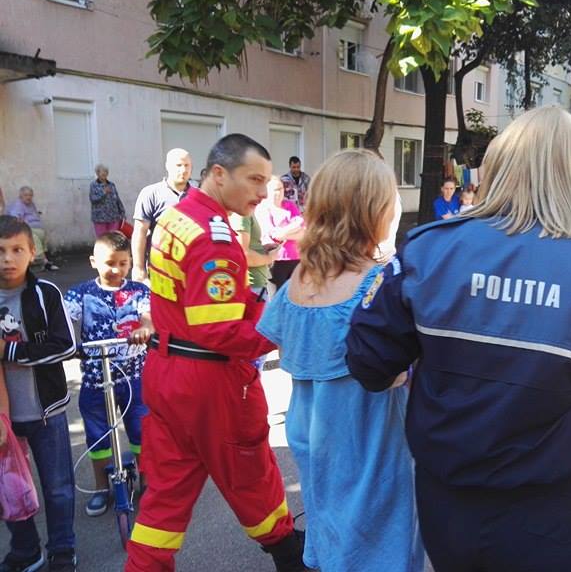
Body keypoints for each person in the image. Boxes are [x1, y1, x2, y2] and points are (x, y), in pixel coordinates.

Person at [346, 107, 571, 571]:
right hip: (557, 520)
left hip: (448, 511)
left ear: (498, 168)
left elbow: (368, 361)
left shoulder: (427, 250)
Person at [124, 134, 307, 572]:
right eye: (255, 179)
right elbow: (222, 331)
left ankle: (144, 564)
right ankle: (288, 554)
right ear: (219, 174)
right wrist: (283, 329)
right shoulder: (216, 238)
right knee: (249, 473)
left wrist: (261, 308)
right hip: (211, 384)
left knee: (166, 491)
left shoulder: (176, 217)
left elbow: (214, 301)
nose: (264, 191)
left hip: (167, 369)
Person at [257, 150, 423, 572]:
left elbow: (280, 344)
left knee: (333, 536)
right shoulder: (380, 283)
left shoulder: (299, 278)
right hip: (367, 440)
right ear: (374, 212)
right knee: (380, 543)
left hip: (313, 435)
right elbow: (395, 373)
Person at [0, 215, 78, 572]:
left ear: (33, 252)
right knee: (11, 487)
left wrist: (12, 352)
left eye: (17, 249)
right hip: (4, 418)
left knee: (57, 486)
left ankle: (62, 549)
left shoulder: (46, 293)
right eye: (0, 251)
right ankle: (26, 549)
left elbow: (67, 346)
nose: (7, 259)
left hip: (46, 412)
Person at [63, 232, 153, 517]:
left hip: (133, 375)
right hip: (95, 378)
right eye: (109, 263)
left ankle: (147, 482)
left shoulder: (139, 291)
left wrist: (144, 328)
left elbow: (148, 316)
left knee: (141, 429)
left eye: (123, 263)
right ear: (93, 261)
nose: (116, 270)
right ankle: (102, 487)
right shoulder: (81, 292)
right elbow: (63, 318)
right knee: (98, 435)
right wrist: (64, 341)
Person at [131, 148, 192, 282]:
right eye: (179, 165)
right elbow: (140, 232)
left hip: (191, 271)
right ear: (168, 166)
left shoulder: (199, 195)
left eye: (187, 165)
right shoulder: (151, 194)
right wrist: (138, 268)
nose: (183, 170)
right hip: (160, 270)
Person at [255, 176, 304, 292]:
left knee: (295, 295)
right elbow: (273, 236)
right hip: (276, 260)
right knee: (277, 295)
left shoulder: (290, 206)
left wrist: (283, 232)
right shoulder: (263, 208)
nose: (279, 193)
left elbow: (302, 230)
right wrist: (292, 229)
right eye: (275, 190)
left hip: (295, 258)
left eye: (281, 189)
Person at [6, 187, 59, 271]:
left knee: (42, 237)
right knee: (34, 238)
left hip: (36, 228)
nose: (28, 197)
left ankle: (45, 260)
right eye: (26, 195)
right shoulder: (18, 205)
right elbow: (15, 219)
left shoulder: (31, 204)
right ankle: (44, 262)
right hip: (26, 228)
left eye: (30, 195)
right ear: (21, 196)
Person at [89, 164, 126, 238]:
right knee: (102, 240)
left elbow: (117, 200)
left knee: (113, 239)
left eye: (106, 172)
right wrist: (103, 192)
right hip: (100, 218)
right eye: (102, 172)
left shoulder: (111, 185)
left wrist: (122, 213)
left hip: (114, 217)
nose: (104, 174)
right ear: (97, 173)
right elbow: (93, 199)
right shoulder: (94, 185)